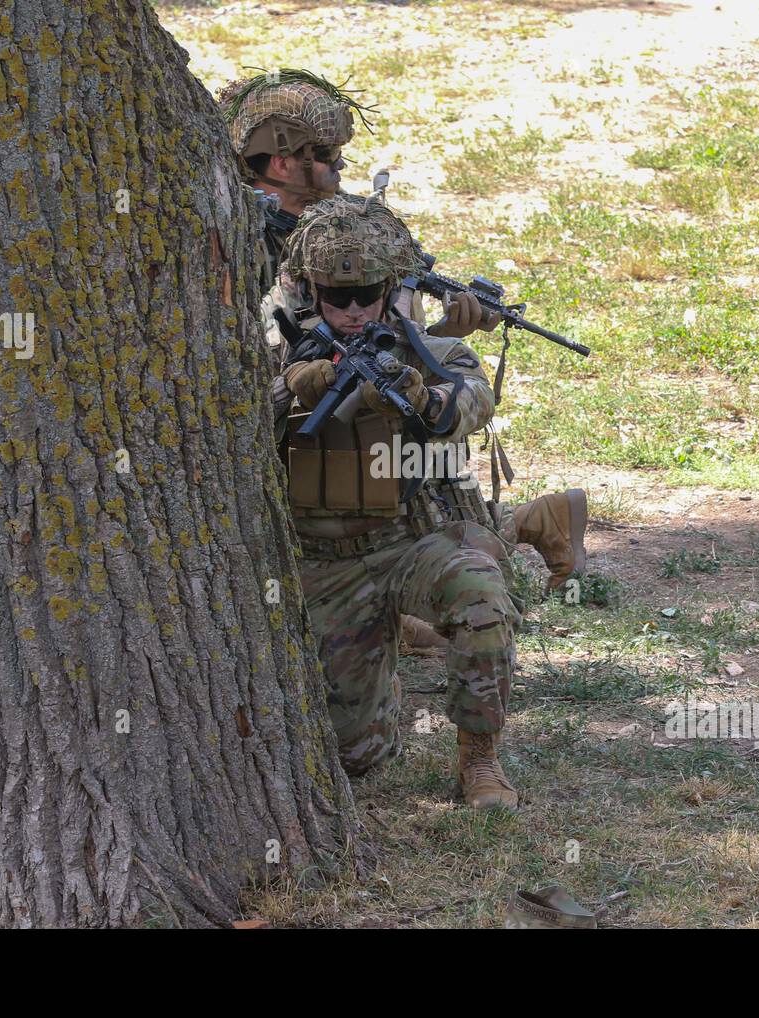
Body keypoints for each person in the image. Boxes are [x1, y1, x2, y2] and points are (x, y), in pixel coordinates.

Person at [219, 70, 588, 637]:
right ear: (279, 162)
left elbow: (397, 335)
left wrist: (441, 330)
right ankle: (530, 523)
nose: (340, 167)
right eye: (325, 155)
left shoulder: (354, 228)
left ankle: (516, 530)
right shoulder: (236, 232)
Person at [275, 194, 520, 809]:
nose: (354, 311)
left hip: (409, 545)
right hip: (320, 567)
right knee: (358, 755)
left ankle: (480, 763)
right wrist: (286, 390)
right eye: (338, 295)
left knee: (481, 599)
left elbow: (471, 404)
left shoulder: (427, 353)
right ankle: (393, 651)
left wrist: (421, 397)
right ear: (309, 290)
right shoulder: (274, 347)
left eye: (369, 295)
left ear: (392, 290)